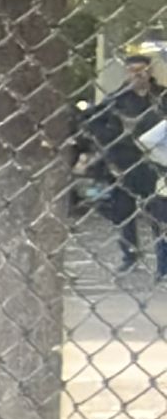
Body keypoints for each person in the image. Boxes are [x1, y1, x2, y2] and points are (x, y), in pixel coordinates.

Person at [74, 42, 165, 273]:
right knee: (124, 211)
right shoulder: (116, 99)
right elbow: (91, 122)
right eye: (133, 71)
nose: (138, 75)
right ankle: (130, 256)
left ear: (150, 72)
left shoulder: (162, 96)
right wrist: (112, 139)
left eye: (142, 71)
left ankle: (163, 261)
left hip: (156, 163)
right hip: (124, 162)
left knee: (159, 212)